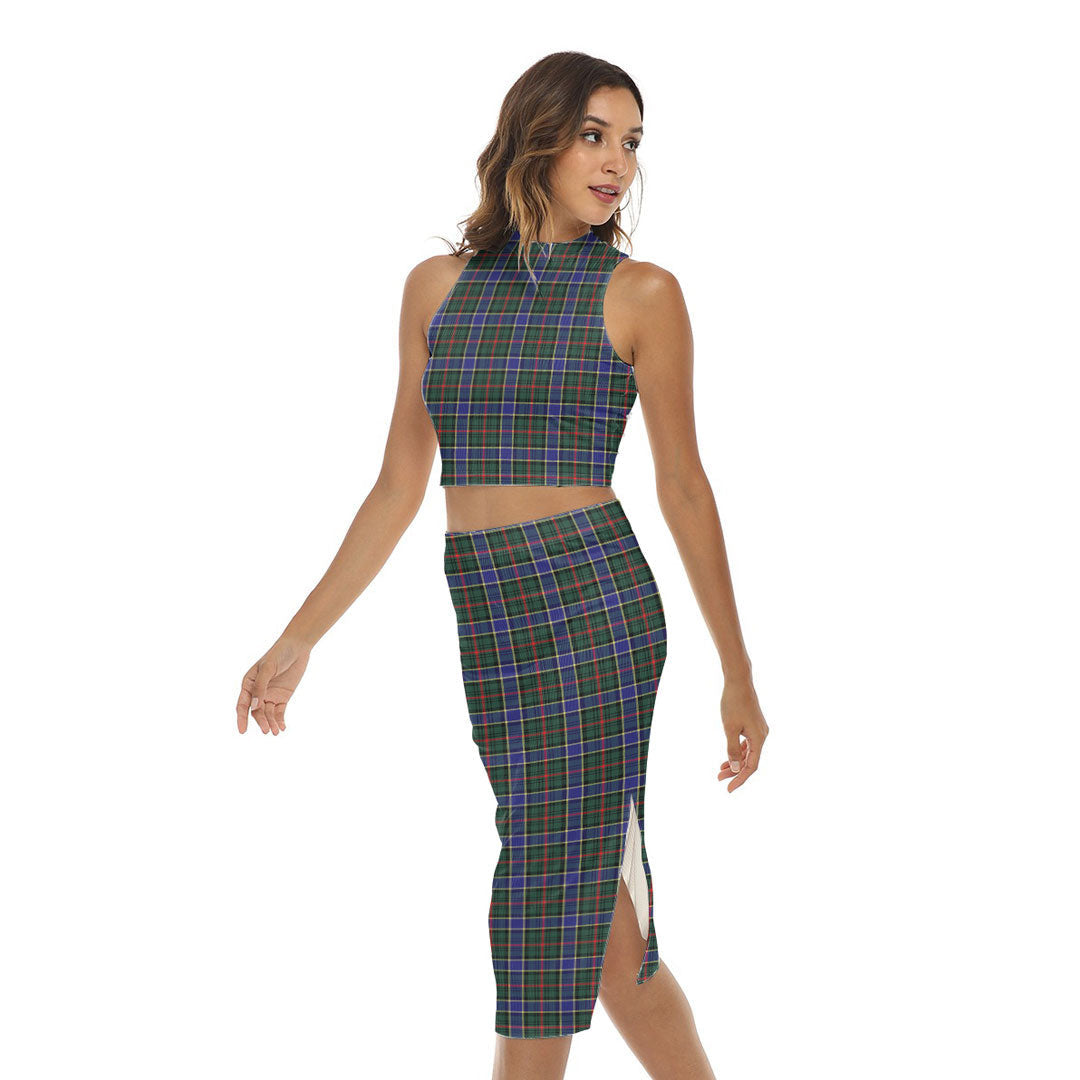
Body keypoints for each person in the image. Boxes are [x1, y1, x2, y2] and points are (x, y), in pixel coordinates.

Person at [235, 51, 768, 1080]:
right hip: (489, 612)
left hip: (593, 605)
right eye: (594, 136)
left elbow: (685, 487)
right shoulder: (436, 288)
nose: (617, 164)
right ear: (537, 137)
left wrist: (737, 672)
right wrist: (299, 637)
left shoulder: (642, 293)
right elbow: (399, 484)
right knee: (597, 928)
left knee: (538, 901)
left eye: (632, 143)